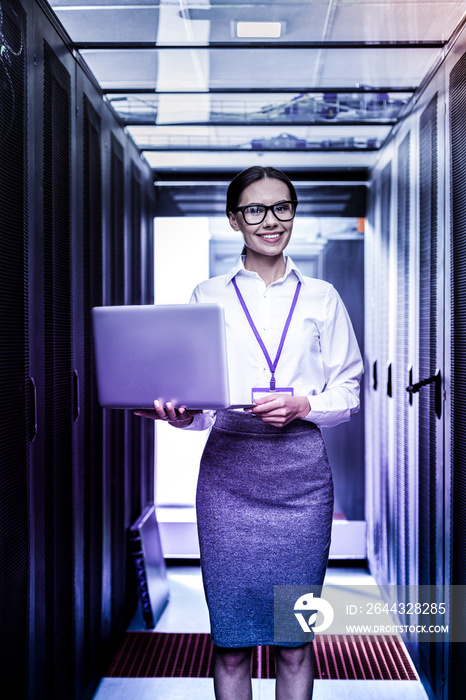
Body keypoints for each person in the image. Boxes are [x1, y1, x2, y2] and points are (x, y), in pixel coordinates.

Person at [135, 165, 363, 699]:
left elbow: (350, 392)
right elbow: (202, 401)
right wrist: (182, 414)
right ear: (235, 219)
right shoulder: (207, 293)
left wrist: (304, 402)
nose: (271, 221)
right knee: (231, 641)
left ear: (294, 214)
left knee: (295, 639)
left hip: (302, 480)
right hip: (228, 479)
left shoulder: (322, 297)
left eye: (282, 207)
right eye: (256, 210)